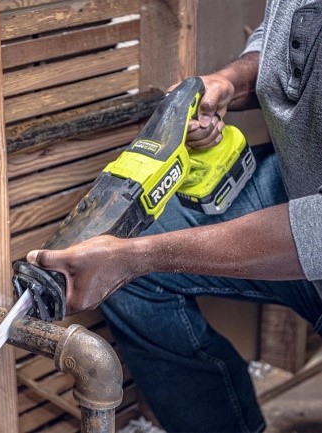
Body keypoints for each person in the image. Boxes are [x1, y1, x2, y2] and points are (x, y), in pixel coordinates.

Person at [27, 1, 322, 431]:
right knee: (130, 268)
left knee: (131, 259)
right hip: (296, 185)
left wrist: (137, 256)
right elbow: (292, 38)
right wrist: (228, 83)